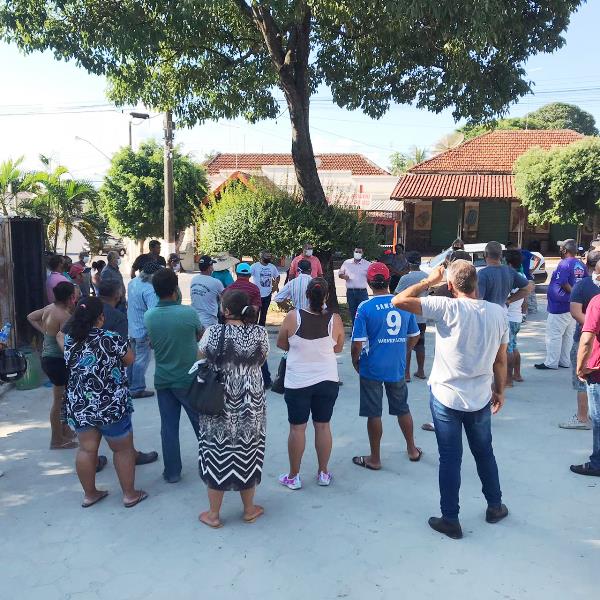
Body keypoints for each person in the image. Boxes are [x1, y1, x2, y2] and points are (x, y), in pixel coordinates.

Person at [393, 261, 509, 540]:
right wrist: (500, 390)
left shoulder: (446, 307)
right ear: (476, 283)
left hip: (446, 396)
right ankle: (495, 506)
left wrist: (428, 281)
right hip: (480, 396)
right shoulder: (498, 313)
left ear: (450, 286)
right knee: (484, 452)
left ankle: (450, 518)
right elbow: (500, 359)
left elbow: (398, 300)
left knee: (450, 459)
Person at [61, 297, 148, 508]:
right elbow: (130, 360)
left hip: (81, 405)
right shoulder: (111, 338)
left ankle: (90, 494)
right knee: (122, 449)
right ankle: (129, 495)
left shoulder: (69, 340)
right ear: (100, 318)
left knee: (86, 449)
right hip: (111, 405)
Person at [197, 290, 269, 528]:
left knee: (216, 452)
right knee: (248, 451)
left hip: (219, 401)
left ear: (226, 310)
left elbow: (200, 358)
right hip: (251, 403)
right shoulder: (260, 333)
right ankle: (249, 510)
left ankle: (213, 514)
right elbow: (262, 360)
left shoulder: (213, 332)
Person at [350, 262, 422, 471]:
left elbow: (357, 343)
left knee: (374, 413)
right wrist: (404, 351)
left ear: (369, 282)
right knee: (402, 408)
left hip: (372, 366)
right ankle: (412, 449)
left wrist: (355, 361)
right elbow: (415, 335)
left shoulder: (365, 307)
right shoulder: (403, 303)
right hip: (396, 365)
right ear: (389, 280)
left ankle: (375, 458)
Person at [276, 278, 345, 490]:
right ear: (327, 296)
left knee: (297, 429)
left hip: (298, 381)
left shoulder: (293, 317)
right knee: (323, 425)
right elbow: (338, 348)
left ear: (307, 295)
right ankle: (323, 473)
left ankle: (293, 476)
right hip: (327, 380)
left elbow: (281, 343)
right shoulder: (335, 319)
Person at [145, 268, 202, 483]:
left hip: (163, 379)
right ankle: (209, 465)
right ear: (176, 288)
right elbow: (199, 334)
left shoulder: (150, 316)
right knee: (200, 423)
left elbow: (152, 342)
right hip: (188, 379)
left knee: (168, 427)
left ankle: (172, 472)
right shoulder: (189, 313)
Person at [28, 281, 78, 450]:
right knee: (58, 401)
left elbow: (31, 317)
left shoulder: (49, 308)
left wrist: (44, 331)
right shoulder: (64, 316)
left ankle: (64, 430)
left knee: (63, 399)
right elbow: (67, 342)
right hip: (57, 361)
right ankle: (56, 440)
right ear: (70, 297)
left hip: (48, 358)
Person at [562, 251, 600, 430]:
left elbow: (575, 312)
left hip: (586, 339)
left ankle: (582, 417)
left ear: (586, 264)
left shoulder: (582, 285)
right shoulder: (583, 285)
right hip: (590, 336)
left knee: (583, 380)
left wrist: (593, 327)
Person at [536, 239, 587, 370]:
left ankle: (551, 362)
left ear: (565, 250)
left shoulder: (564, 263)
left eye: (561, 248)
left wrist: (574, 294)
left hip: (560, 305)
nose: (560, 250)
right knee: (568, 335)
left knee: (554, 335)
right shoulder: (581, 264)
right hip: (573, 306)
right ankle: (564, 361)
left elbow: (563, 282)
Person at [574, 293, 600, 477]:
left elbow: (587, 339)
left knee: (598, 419)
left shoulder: (597, 302)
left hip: (597, 371)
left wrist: (581, 367)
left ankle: (597, 463)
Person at [127, 262, 161, 399]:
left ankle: (129, 384)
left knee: (132, 359)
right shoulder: (150, 290)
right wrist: (153, 335)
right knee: (141, 361)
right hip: (143, 330)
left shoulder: (132, 283)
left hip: (132, 328)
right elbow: (153, 314)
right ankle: (137, 388)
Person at [395, 251, 428, 381]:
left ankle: (406, 374)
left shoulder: (405, 278)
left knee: (407, 346)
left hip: (407, 316)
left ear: (407, 262)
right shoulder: (426, 277)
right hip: (421, 316)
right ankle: (421, 371)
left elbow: (396, 295)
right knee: (420, 344)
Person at [477, 241, 532, 307]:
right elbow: (528, 288)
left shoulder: (482, 273)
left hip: (487, 312)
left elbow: (478, 300)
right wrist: (509, 300)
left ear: (485, 254)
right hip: (502, 311)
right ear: (501, 255)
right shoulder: (510, 271)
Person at [504, 250, 525, 386]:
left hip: (509, 318)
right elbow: (525, 298)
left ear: (509, 264)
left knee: (508, 350)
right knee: (514, 346)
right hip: (517, 317)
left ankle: (508, 379)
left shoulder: (511, 278)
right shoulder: (522, 276)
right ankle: (517, 374)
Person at [338, 247, 371, 324]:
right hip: (351, 292)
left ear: (362, 253)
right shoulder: (347, 263)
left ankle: (363, 329)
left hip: (362, 292)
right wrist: (344, 276)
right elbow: (340, 274)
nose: (358, 253)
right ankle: (354, 329)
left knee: (364, 312)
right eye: (356, 252)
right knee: (353, 313)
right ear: (353, 252)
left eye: (360, 252)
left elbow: (371, 276)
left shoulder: (367, 264)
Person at [190, 255, 224, 329]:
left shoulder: (194, 279)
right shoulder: (216, 282)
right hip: (209, 321)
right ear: (210, 267)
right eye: (212, 266)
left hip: (194, 319)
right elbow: (225, 297)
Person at [251, 250, 281, 327]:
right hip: (256, 295)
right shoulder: (254, 266)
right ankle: (254, 330)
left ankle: (261, 330)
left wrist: (275, 286)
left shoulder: (272, 267)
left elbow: (277, 276)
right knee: (255, 315)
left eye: (269, 256)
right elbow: (248, 275)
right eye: (267, 256)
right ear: (261, 257)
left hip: (267, 294)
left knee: (263, 315)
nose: (269, 258)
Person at [521, 243, 542, 314]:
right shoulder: (525, 252)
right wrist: (532, 270)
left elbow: (537, 259)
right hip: (527, 277)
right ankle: (531, 311)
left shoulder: (523, 252)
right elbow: (538, 259)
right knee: (530, 297)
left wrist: (532, 270)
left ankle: (526, 312)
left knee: (526, 296)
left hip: (525, 277)